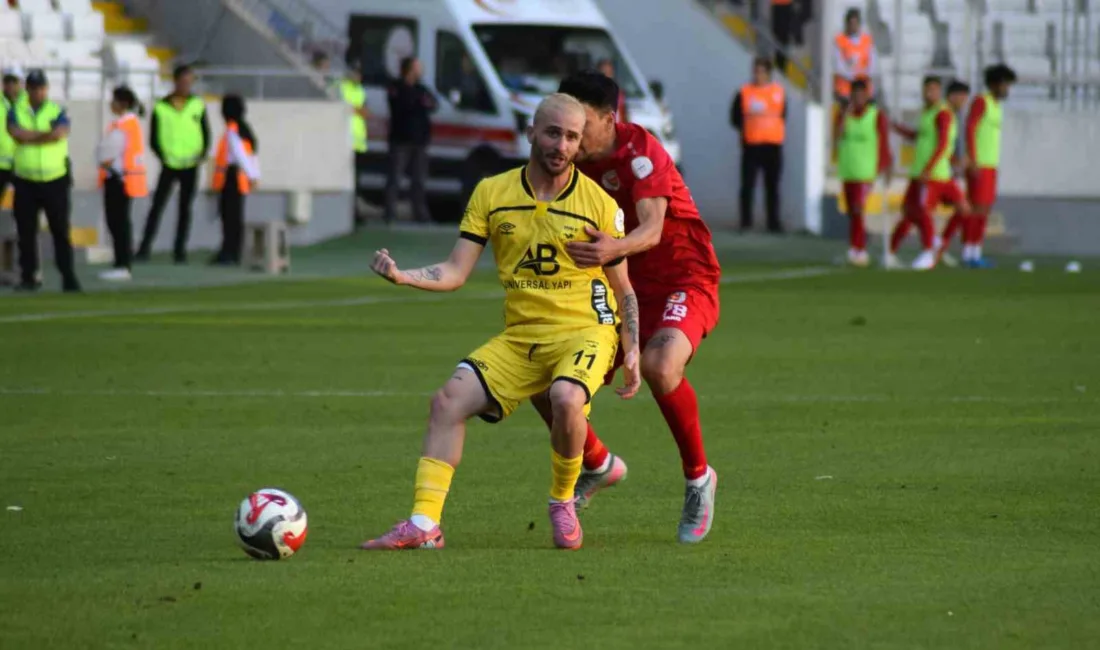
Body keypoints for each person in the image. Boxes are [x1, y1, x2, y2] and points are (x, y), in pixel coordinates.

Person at [361, 93, 641, 551]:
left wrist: (630, 348)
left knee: (566, 397)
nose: (562, 145)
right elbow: (455, 271)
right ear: (531, 133)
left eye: (573, 137)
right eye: (553, 133)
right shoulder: (492, 193)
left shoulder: (599, 204)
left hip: (584, 332)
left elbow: (624, 289)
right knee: (447, 401)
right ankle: (424, 524)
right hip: (522, 338)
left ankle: (562, 500)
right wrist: (402, 275)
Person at [552, 71, 723, 544]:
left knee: (660, 364)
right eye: (564, 123)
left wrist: (611, 250)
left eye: (581, 123)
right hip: (616, 290)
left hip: (681, 281)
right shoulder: (565, 159)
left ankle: (698, 478)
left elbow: (650, 230)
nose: (572, 134)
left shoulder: (640, 153)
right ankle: (598, 463)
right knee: (547, 378)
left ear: (609, 119)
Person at [7, 69, 80, 293]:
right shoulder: (16, 110)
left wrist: (33, 137)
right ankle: (29, 276)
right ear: (27, 89)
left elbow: (60, 133)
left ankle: (68, 277)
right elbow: (16, 133)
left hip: (54, 179)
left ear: (46, 89)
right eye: (34, 88)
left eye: (41, 88)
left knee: (60, 230)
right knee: (26, 232)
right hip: (26, 180)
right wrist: (44, 136)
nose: (38, 92)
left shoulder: (56, 109)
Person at [886, 76, 969, 271]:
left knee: (953, 209)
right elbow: (924, 139)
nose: (929, 94)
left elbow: (942, 145)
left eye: (933, 90)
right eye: (927, 90)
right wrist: (898, 128)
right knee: (912, 214)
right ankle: (895, 252)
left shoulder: (943, 114)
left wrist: (936, 166)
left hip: (935, 174)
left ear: (940, 93)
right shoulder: (929, 113)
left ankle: (932, 248)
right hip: (926, 173)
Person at [137, 63, 209, 264]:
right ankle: (144, 248)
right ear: (176, 81)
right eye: (184, 81)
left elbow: (205, 133)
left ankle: (180, 251)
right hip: (169, 164)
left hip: (190, 164)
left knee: (185, 209)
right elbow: (153, 138)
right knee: (157, 206)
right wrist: (163, 156)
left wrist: (200, 155)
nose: (187, 85)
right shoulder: (161, 106)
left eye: (190, 81)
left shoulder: (197, 105)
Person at [960, 64, 1016, 269]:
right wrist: (973, 159)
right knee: (977, 209)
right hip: (979, 164)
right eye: (1005, 84)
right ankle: (968, 252)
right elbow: (970, 128)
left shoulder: (996, 106)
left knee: (984, 210)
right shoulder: (981, 102)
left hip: (990, 165)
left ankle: (976, 251)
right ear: (995, 84)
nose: (1007, 89)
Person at [832, 78, 891, 267]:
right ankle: (858, 246)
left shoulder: (876, 115)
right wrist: (843, 115)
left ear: (867, 96)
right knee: (852, 211)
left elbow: (883, 141)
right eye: (854, 94)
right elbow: (837, 136)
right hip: (848, 169)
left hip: (865, 171)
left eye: (861, 94)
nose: (858, 98)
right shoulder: (844, 115)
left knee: (858, 209)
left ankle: (859, 250)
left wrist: (885, 164)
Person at [95, 86, 148, 281]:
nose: (111, 103)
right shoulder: (128, 124)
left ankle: (122, 264)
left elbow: (106, 154)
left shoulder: (123, 126)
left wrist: (100, 156)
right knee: (119, 222)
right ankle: (121, 263)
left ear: (122, 103)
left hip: (119, 179)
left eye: (114, 100)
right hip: (124, 179)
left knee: (118, 223)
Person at [731, 57, 787, 233]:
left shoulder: (778, 92)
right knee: (747, 185)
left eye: (762, 71)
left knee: (773, 186)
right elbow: (734, 117)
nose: (758, 75)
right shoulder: (745, 92)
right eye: (756, 71)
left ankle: (773, 223)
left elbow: (783, 114)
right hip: (752, 145)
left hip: (773, 146)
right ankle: (746, 222)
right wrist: (746, 130)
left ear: (769, 73)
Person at [384, 56, 436, 224]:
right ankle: (389, 213)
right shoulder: (396, 87)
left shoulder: (422, 88)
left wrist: (422, 102)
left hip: (419, 141)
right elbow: (403, 106)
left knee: (419, 180)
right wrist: (419, 102)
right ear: (409, 69)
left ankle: (420, 213)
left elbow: (433, 104)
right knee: (395, 178)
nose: (420, 70)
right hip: (401, 140)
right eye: (417, 67)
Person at [210, 94, 261, 266]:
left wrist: (252, 175)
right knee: (236, 217)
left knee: (229, 217)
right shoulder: (245, 129)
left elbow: (239, 155)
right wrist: (254, 175)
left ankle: (228, 252)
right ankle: (234, 252)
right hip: (240, 179)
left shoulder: (232, 130)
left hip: (231, 177)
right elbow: (251, 155)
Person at [935, 80, 972, 268]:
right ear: (952, 96)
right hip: (936, 173)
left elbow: (945, 145)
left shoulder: (951, 115)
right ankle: (934, 249)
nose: (964, 101)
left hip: (943, 172)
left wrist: (956, 161)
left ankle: (938, 248)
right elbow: (938, 143)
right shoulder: (943, 114)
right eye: (962, 97)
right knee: (917, 215)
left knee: (963, 209)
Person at [339, 64, 370, 227]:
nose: (358, 77)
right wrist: (356, 109)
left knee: (356, 181)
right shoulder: (342, 87)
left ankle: (354, 212)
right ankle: (349, 213)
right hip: (344, 142)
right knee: (347, 180)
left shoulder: (361, 90)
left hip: (358, 142)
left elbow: (365, 112)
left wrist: (356, 109)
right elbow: (343, 109)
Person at [833, 8, 876, 105]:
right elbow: (838, 66)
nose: (853, 26)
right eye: (851, 23)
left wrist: (863, 76)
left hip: (864, 91)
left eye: (855, 23)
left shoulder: (867, 40)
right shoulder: (840, 40)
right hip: (845, 92)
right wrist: (854, 76)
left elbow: (873, 64)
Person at [0, 67, 25, 208]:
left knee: (25, 207)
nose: (10, 85)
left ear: (20, 82)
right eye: (7, 81)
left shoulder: (28, 104)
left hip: (22, 164)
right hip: (0, 164)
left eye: (14, 81)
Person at [596, 58, 629, 123]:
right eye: (604, 72)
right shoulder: (593, 92)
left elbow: (624, 113)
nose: (607, 75)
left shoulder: (619, 93)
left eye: (609, 72)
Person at [771, 0, 794, 72]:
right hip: (778, 4)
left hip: (786, 5)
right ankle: (780, 64)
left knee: (783, 36)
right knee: (778, 34)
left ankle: (781, 64)